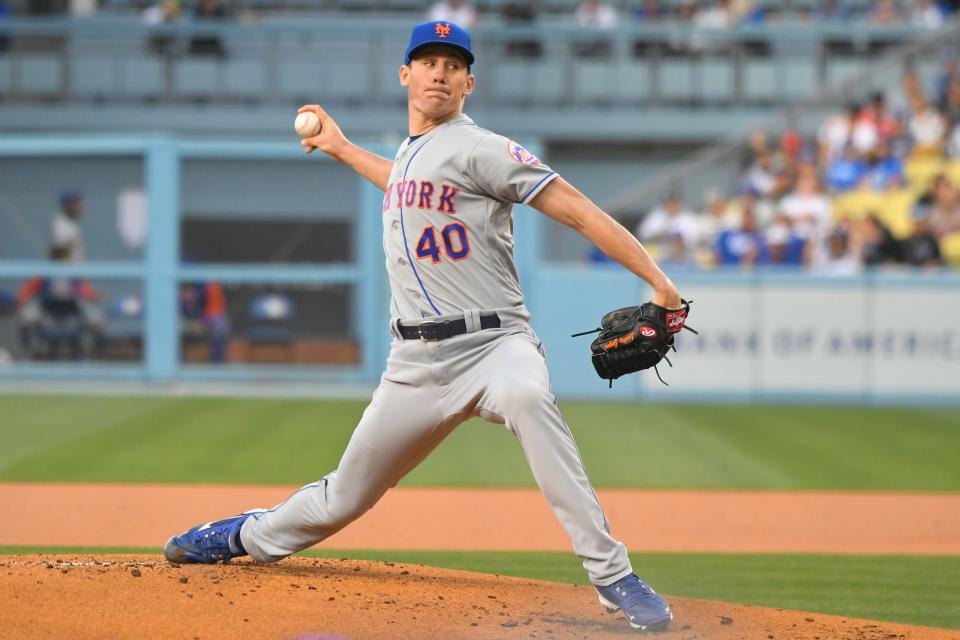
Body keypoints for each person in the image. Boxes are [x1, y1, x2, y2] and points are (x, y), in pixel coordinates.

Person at [163, 21, 680, 633]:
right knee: (342, 499)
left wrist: (660, 284)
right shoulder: (412, 153)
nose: (439, 71)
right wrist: (343, 148)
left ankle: (612, 575)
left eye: (452, 64)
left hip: (495, 345)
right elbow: (406, 186)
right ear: (405, 75)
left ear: (469, 83)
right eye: (427, 61)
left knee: (529, 399)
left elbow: (576, 208)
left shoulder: (483, 147)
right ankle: (244, 535)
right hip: (413, 365)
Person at [50, 190, 85, 263]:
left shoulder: (70, 223)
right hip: (66, 272)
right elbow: (59, 252)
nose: (79, 207)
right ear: (67, 205)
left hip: (74, 271)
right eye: (75, 203)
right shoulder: (61, 224)